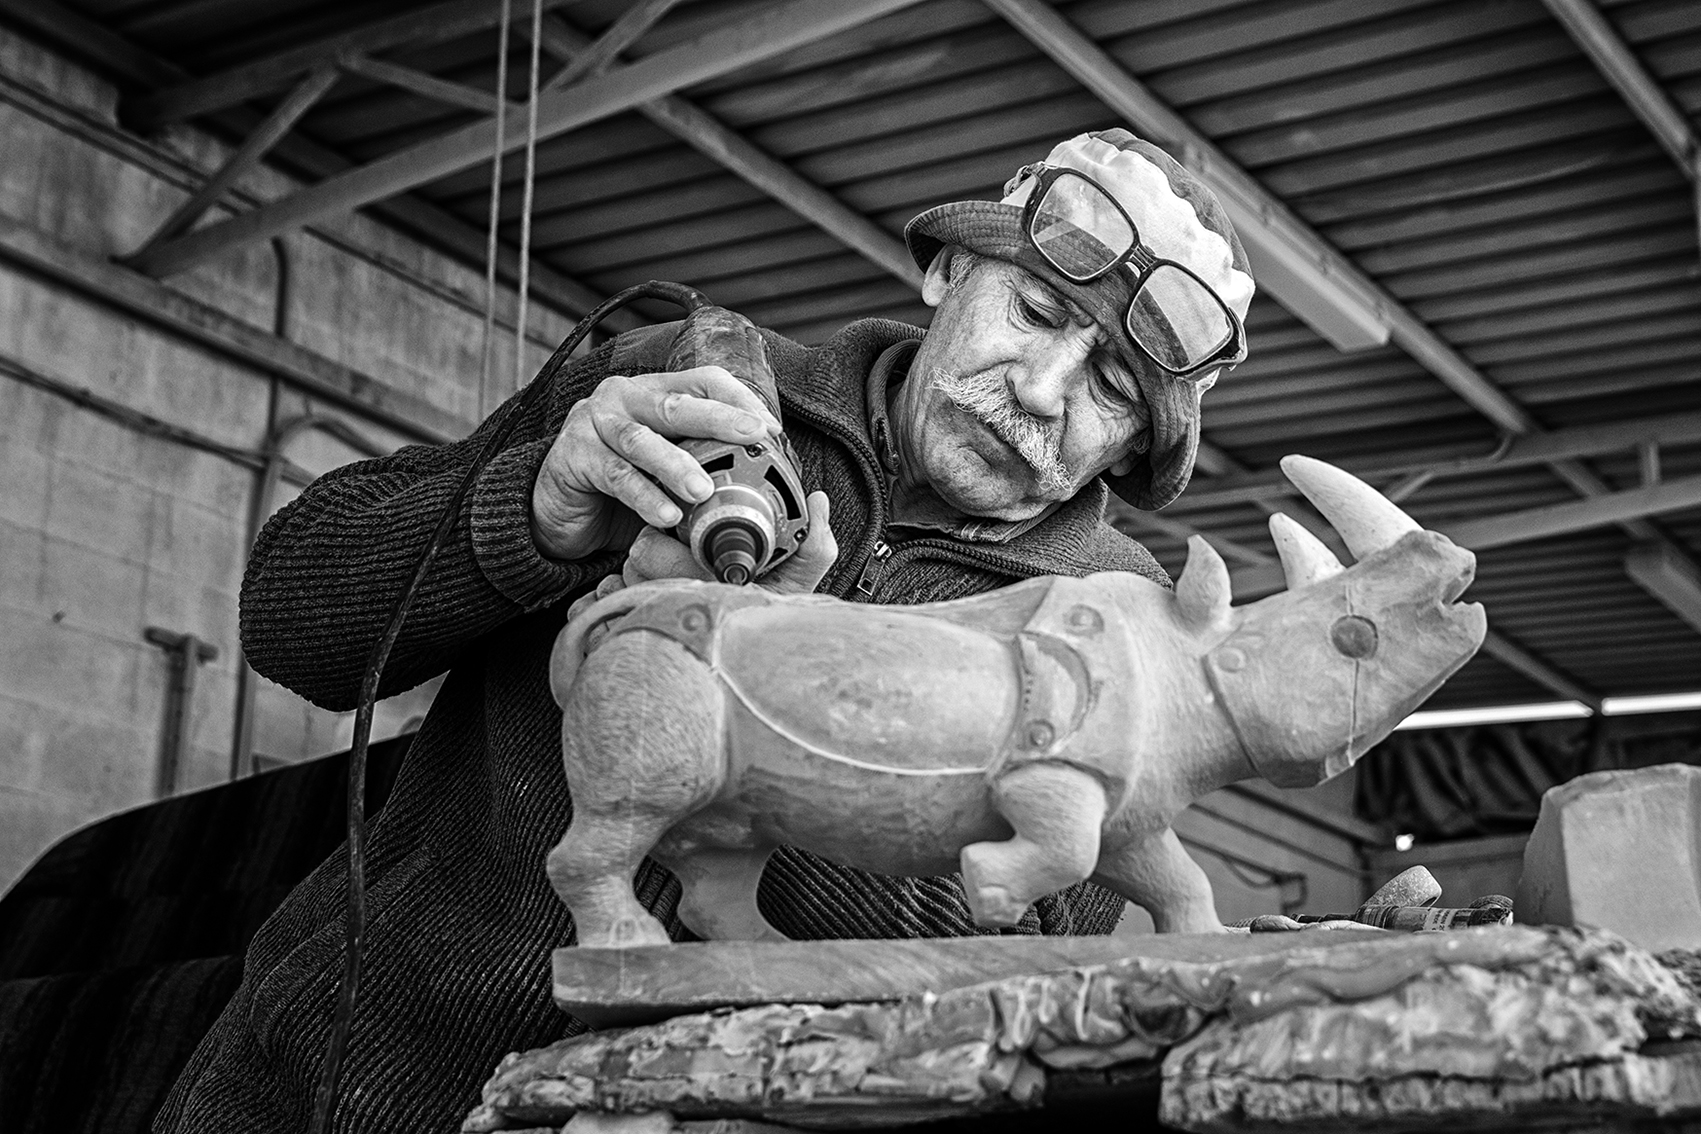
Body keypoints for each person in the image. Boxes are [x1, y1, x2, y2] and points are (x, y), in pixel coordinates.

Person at [157, 128, 1255, 1133]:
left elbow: (990, 973)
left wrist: (784, 677)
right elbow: (291, 625)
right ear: (950, 272)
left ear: (1133, 448)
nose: (1045, 390)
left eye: (1112, 388)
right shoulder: (685, 387)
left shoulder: (1121, 624)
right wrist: (532, 513)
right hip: (329, 1085)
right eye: (1036, 314)